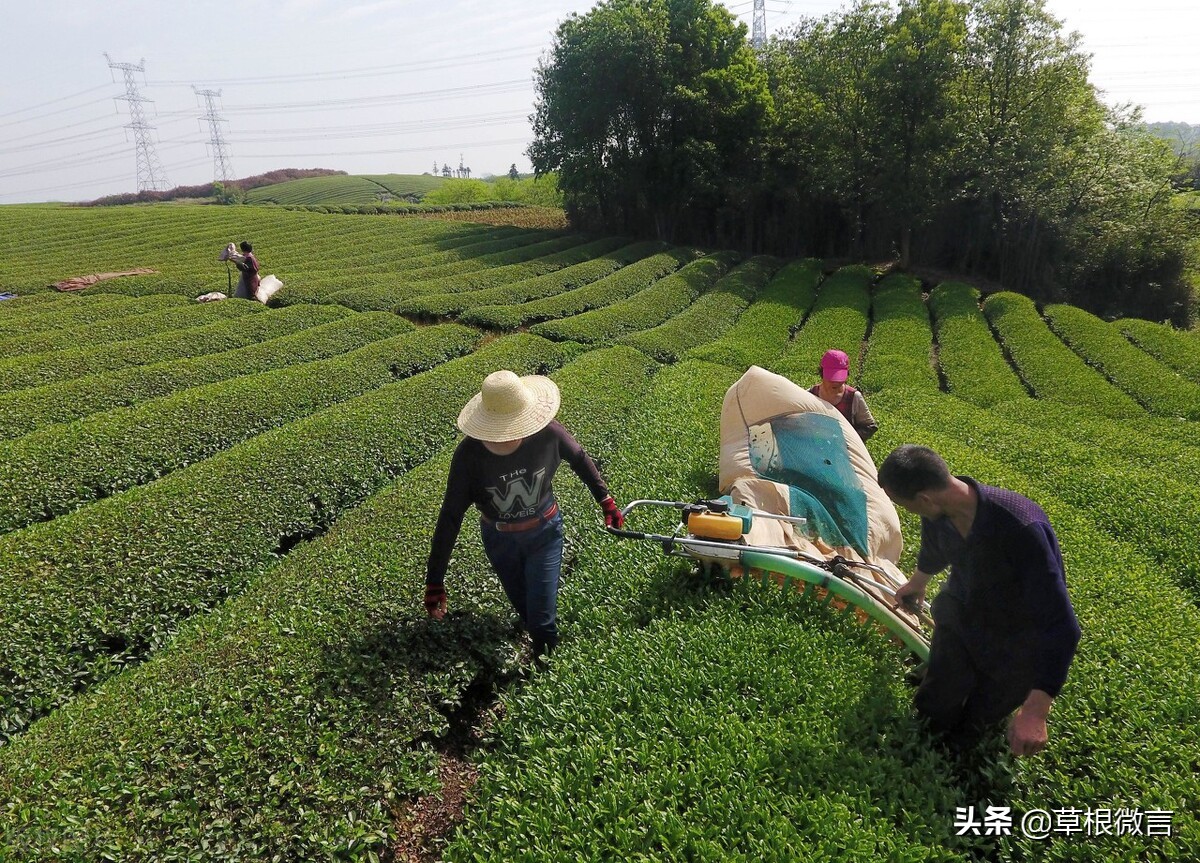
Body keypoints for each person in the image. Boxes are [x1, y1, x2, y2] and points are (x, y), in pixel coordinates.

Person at [877, 445, 1081, 756]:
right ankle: (926, 740)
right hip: (962, 614)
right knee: (936, 704)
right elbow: (936, 548)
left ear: (924, 499)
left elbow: (1063, 627)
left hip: (1014, 641)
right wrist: (917, 583)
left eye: (907, 507)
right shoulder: (939, 510)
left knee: (974, 723)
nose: (911, 512)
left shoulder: (1020, 528)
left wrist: (1036, 713)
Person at [424, 370, 624, 660]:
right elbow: (450, 518)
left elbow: (579, 458)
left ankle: (548, 669)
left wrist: (605, 498)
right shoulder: (469, 456)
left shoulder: (549, 434)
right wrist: (435, 581)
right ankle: (536, 651)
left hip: (544, 533)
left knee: (541, 621)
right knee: (525, 609)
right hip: (500, 541)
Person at [810, 349, 877, 442]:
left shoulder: (853, 397)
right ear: (822, 374)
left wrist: (846, 439)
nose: (836, 382)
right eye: (831, 377)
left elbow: (870, 426)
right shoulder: (810, 395)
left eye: (839, 377)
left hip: (846, 452)